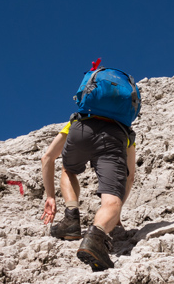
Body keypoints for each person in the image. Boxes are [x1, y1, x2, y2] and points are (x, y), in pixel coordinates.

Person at [40, 115, 136, 271]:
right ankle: (96, 237)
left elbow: (47, 158)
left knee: (68, 169)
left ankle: (71, 217)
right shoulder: (125, 128)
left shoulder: (82, 117)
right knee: (111, 198)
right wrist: (115, 212)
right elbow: (130, 178)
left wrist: (50, 196)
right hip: (116, 135)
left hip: (81, 129)